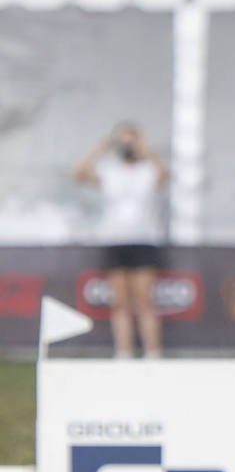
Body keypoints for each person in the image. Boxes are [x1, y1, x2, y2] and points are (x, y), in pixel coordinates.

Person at [73, 122, 170, 359]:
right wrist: (99, 150)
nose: (127, 146)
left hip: (144, 240)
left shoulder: (148, 170)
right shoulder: (109, 170)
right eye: (123, 141)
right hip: (115, 240)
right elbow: (78, 174)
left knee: (144, 300)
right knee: (120, 302)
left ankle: (153, 353)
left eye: (131, 141)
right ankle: (123, 353)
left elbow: (165, 176)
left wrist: (148, 150)